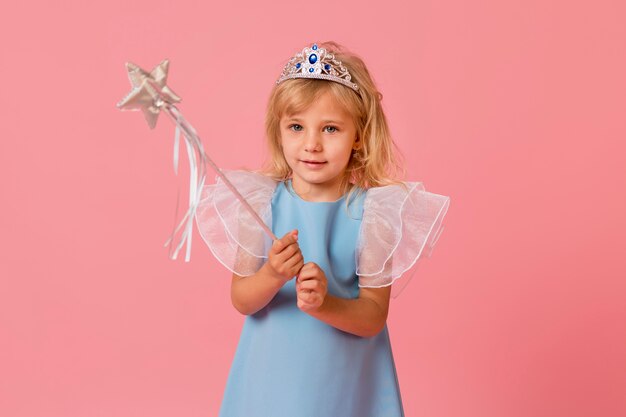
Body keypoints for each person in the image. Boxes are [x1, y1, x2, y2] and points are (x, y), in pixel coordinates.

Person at [195, 41, 451, 417]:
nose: (312, 144)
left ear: (358, 136)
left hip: (345, 381)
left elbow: (372, 316)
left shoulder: (374, 214)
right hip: (271, 377)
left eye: (330, 128)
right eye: (296, 127)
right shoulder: (259, 205)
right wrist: (271, 274)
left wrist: (324, 303)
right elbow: (242, 299)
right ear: (279, 131)